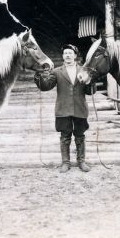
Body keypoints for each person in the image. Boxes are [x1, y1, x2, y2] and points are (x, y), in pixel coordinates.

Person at [34, 44, 96, 173]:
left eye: (70, 53)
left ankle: (81, 162)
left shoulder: (83, 70)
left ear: (75, 55)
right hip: (63, 110)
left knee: (80, 136)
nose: (67, 55)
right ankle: (65, 163)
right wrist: (38, 76)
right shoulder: (57, 71)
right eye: (65, 53)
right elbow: (46, 86)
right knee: (64, 136)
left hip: (80, 108)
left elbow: (90, 91)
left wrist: (90, 81)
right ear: (63, 56)